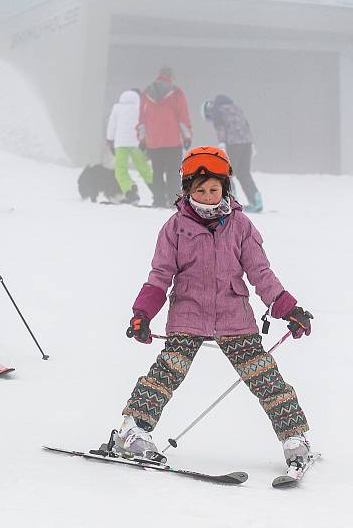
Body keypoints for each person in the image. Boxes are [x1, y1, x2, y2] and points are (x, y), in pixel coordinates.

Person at [118, 146, 314, 466]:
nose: (208, 196)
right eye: (201, 190)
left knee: (264, 377)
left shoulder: (241, 225)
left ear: (225, 188)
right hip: (188, 314)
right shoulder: (175, 227)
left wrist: (288, 308)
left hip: (234, 316)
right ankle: (133, 430)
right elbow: (160, 276)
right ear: (187, 191)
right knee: (167, 372)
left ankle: (294, 436)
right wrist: (142, 314)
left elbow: (260, 273)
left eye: (214, 189)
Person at [138, 67, 192, 207]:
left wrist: (142, 139)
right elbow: (183, 118)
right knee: (173, 172)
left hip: (154, 141)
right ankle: (173, 201)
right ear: (171, 76)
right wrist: (187, 137)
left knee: (157, 172)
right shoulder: (176, 93)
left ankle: (158, 200)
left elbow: (142, 120)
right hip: (172, 140)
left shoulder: (146, 93)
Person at [201, 95, 262, 213]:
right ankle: (256, 200)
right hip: (246, 142)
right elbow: (245, 124)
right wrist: (251, 143)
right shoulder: (235, 108)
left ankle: (230, 201)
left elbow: (220, 128)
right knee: (243, 173)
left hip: (232, 144)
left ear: (208, 111)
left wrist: (222, 143)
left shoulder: (216, 111)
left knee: (225, 173)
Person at [106, 89, 153, 204]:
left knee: (121, 170)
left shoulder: (117, 108)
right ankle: (160, 193)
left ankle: (131, 192)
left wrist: (109, 139)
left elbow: (112, 125)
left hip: (120, 143)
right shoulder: (141, 107)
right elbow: (145, 125)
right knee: (144, 169)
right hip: (136, 143)